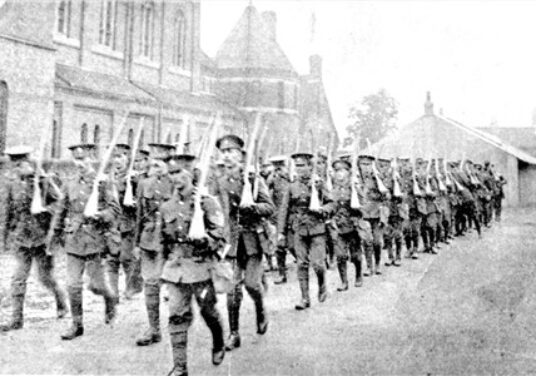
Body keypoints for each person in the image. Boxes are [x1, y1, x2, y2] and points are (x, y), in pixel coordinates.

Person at [161, 154, 226, 376]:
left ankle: (218, 341)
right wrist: (163, 274)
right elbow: (163, 241)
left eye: (179, 172)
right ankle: (180, 366)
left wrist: (205, 239)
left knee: (208, 311)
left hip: (200, 267)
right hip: (176, 269)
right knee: (177, 315)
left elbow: (219, 234)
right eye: (171, 173)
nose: (175, 177)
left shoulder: (206, 201)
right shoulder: (167, 206)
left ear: (190, 173)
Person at [211, 134, 274, 351]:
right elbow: (213, 210)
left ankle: (260, 309)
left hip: (253, 241)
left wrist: (254, 207)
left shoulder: (254, 180)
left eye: (232, 152)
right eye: (224, 152)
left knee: (252, 285)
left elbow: (270, 207)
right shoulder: (218, 183)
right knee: (232, 289)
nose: (227, 156)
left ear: (241, 155)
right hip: (231, 242)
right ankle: (234, 334)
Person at [56, 143, 120, 340]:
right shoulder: (69, 182)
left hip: (95, 240)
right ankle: (77, 324)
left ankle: (110, 299)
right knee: (72, 284)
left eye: (83, 159)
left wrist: (100, 215)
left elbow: (115, 210)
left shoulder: (102, 183)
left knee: (97, 286)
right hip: (74, 239)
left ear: (92, 158)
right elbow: (61, 209)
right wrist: (56, 234)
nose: (80, 164)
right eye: (77, 160)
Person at [0, 146, 67, 332]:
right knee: (18, 278)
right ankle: (16, 319)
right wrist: (4, 238)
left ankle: (61, 300)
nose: (15, 168)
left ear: (27, 162)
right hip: (21, 237)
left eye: (19, 163)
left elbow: (61, 202)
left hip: (42, 237)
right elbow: (6, 211)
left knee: (45, 277)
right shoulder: (10, 183)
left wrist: (45, 210)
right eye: (13, 164)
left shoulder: (41, 181)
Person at [277, 151, 335, 310]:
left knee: (317, 263)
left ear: (310, 167)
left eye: (302, 166)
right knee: (301, 264)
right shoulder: (292, 186)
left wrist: (323, 210)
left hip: (317, 228)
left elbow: (332, 203)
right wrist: (281, 232)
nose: (299, 169)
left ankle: (322, 284)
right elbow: (284, 209)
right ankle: (304, 298)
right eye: (297, 166)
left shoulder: (319, 183)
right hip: (299, 229)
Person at [133, 143, 175, 346]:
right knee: (150, 284)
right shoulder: (144, 184)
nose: (156, 168)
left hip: (171, 240)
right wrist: (135, 243)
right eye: (153, 164)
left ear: (168, 164)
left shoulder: (177, 183)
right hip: (149, 240)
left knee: (176, 286)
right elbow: (140, 215)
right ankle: (154, 329)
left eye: (160, 165)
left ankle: (178, 329)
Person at [105, 144, 141, 301]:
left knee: (127, 258)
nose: (117, 161)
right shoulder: (107, 178)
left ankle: (131, 287)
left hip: (128, 224)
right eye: (114, 157)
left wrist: (134, 184)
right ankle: (113, 294)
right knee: (111, 260)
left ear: (127, 158)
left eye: (120, 157)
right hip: (111, 225)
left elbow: (142, 200)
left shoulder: (133, 178)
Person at [331, 157, 370, 290]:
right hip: (338, 226)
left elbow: (365, 205)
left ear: (348, 172)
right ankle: (344, 282)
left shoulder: (354, 186)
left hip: (353, 226)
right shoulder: (332, 188)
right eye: (337, 171)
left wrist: (357, 208)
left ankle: (358, 275)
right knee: (340, 255)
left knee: (355, 256)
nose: (339, 173)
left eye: (342, 170)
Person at [357, 155, 390, 275]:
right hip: (363, 214)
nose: (366, 167)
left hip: (376, 213)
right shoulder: (355, 178)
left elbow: (386, 196)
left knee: (377, 242)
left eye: (368, 164)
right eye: (363, 164)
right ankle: (369, 266)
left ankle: (377, 263)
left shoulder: (378, 178)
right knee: (366, 241)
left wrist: (378, 180)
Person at [267, 155, 293, 284]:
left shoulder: (291, 175)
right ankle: (282, 274)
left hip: (293, 215)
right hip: (278, 215)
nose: (278, 167)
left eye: (280, 164)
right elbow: (267, 190)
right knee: (280, 246)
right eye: (275, 165)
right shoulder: (272, 177)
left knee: (294, 245)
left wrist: (286, 175)